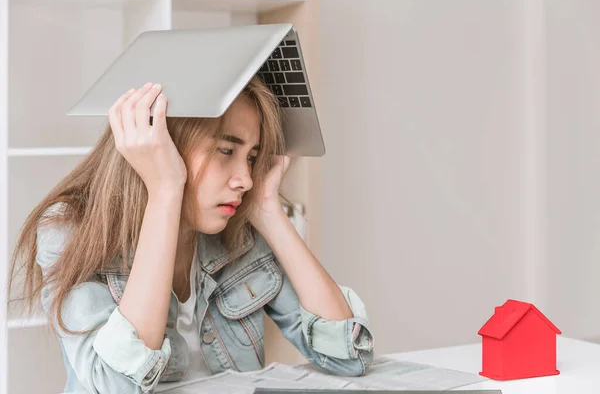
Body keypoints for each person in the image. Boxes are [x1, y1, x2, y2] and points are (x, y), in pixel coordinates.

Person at [8, 77, 374, 393]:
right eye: (227, 151)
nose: (244, 178)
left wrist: (268, 209)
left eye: (251, 157)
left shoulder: (239, 229)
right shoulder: (69, 229)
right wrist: (165, 191)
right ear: (165, 144)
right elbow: (115, 385)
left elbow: (348, 354)